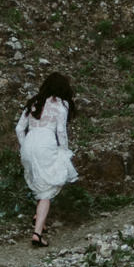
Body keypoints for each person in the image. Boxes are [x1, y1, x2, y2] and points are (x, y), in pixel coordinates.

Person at [15, 73, 78, 247]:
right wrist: (64, 152)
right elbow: (61, 132)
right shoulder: (61, 104)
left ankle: (38, 215)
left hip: (29, 143)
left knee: (42, 183)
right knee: (50, 186)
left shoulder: (34, 102)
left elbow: (19, 128)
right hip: (46, 143)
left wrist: (24, 146)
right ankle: (38, 233)